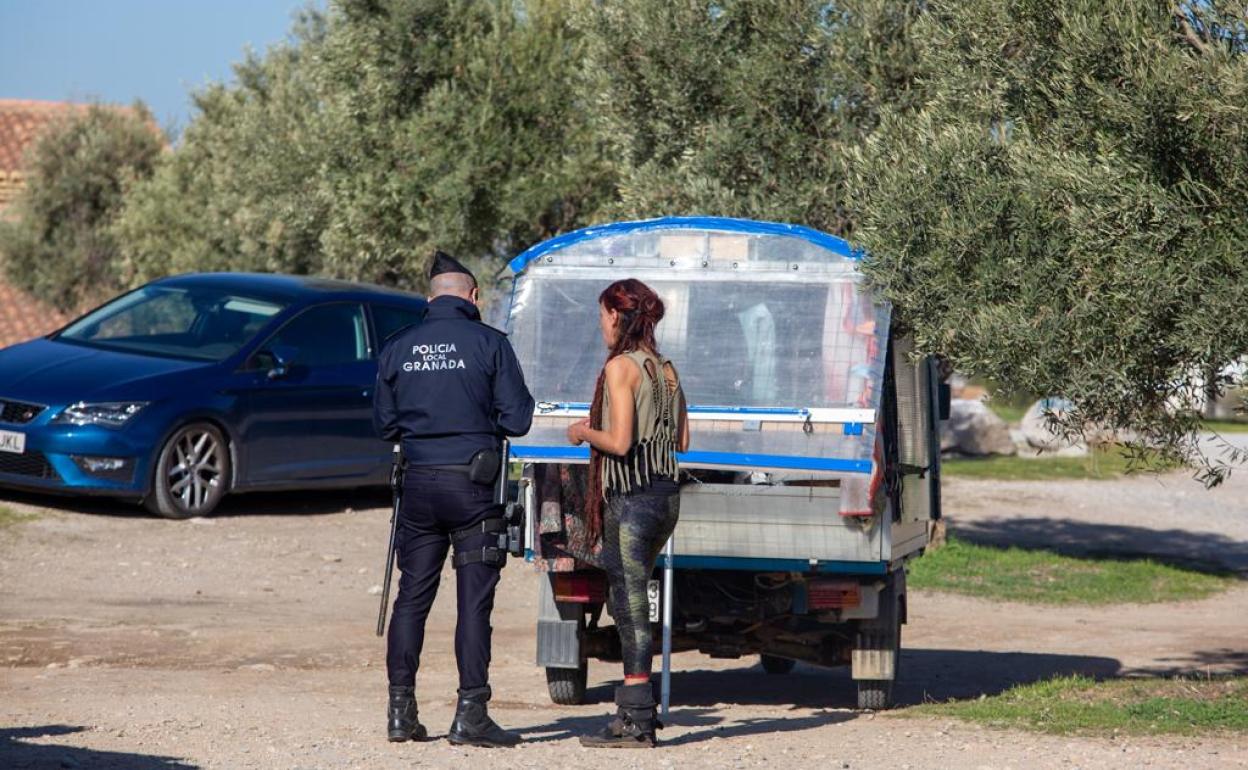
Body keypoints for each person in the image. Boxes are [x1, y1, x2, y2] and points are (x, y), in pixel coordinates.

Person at [373, 250, 534, 748]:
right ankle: (471, 714)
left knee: (411, 600)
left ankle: (401, 712)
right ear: (474, 297)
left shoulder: (399, 346)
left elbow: (384, 424)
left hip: (418, 486)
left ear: (430, 297)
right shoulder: (490, 343)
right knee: (473, 605)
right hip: (474, 489)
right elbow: (518, 419)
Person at [566, 278, 690, 749]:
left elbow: (618, 442)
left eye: (602, 316)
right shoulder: (668, 369)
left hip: (632, 498)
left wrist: (582, 430)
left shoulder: (621, 368)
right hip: (666, 499)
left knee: (630, 605)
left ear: (617, 316)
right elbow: (681, 442)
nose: (601, 326)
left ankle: (637, 719)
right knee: (632, 599)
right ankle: (635, 713)